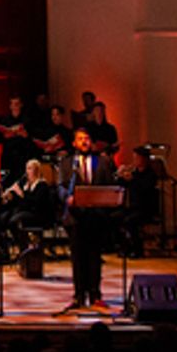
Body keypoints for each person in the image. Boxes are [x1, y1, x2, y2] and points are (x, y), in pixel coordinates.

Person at [58, 127, 117, 313]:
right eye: (80, 139)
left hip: (96, 216)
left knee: (94, 257)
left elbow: (109, 186)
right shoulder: (67, 162)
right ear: (74, 143)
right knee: (77, 258)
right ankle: (78, 295)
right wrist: (67, 198)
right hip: (75, 216)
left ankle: (95, 294)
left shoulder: (103, 162)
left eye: (87, 138)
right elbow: (61, 186)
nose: (84, 141)